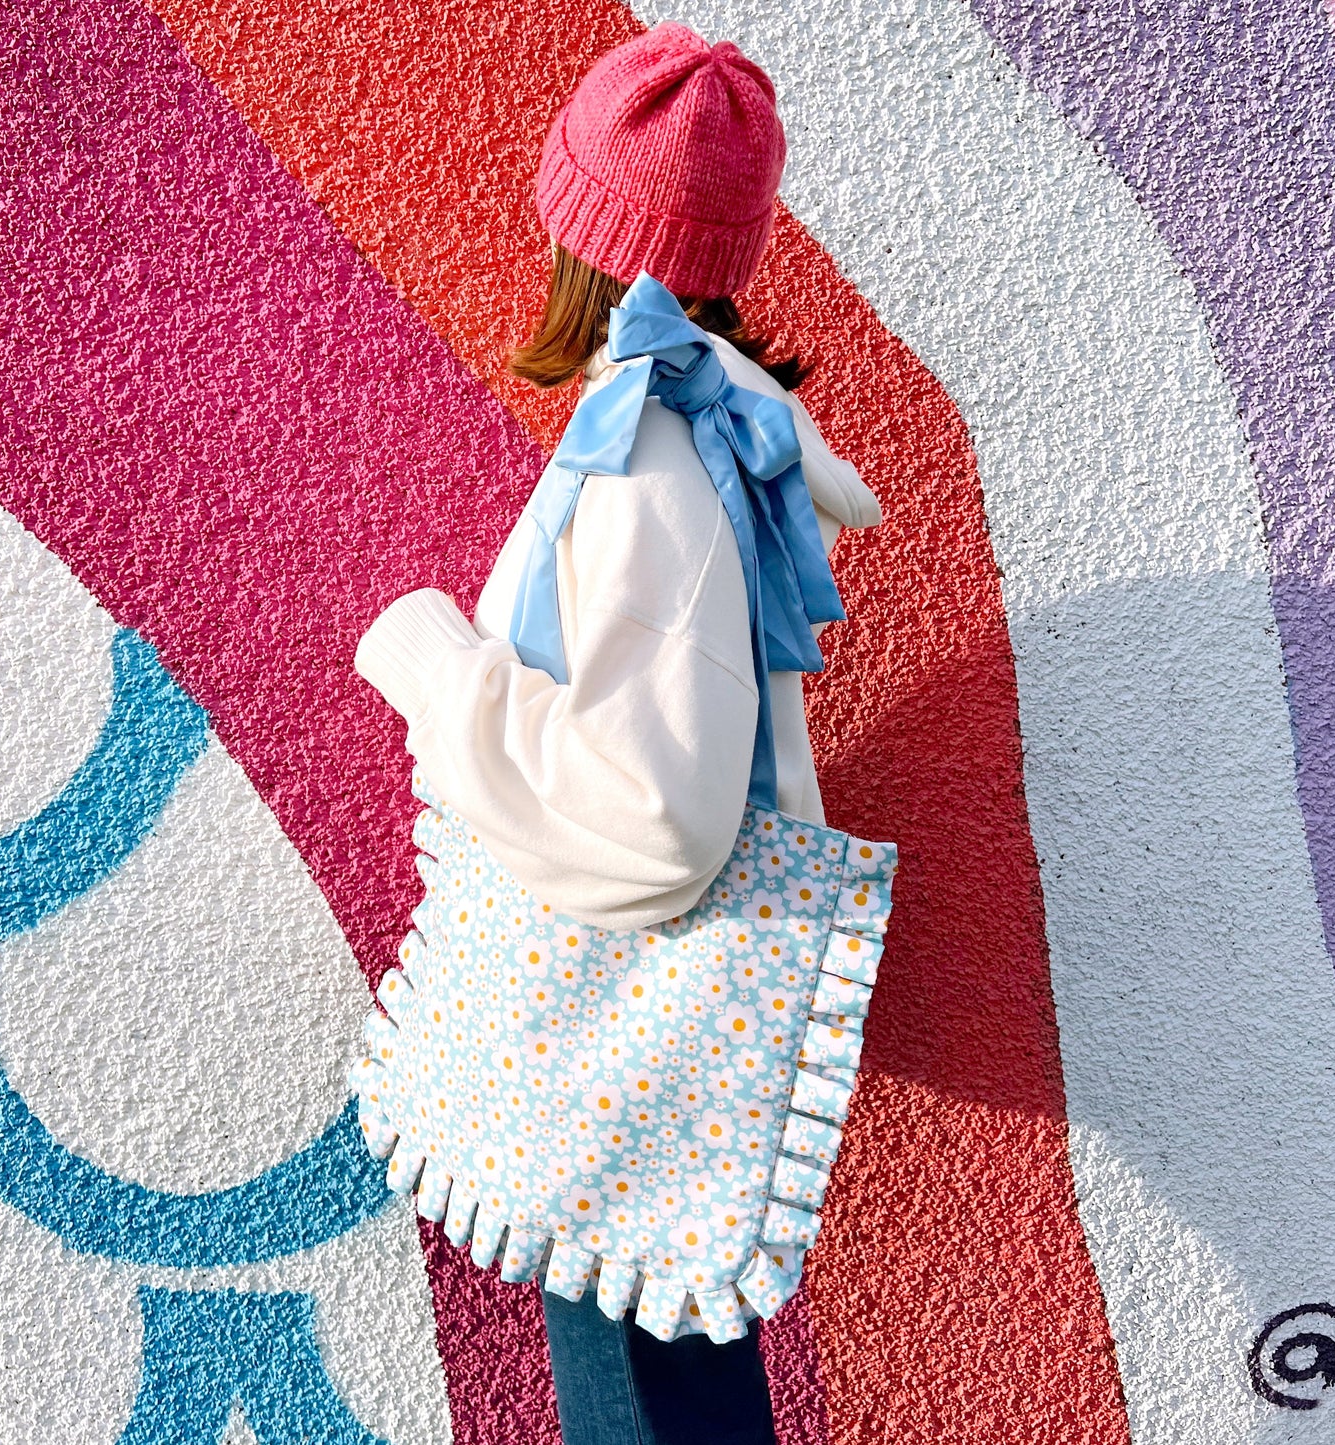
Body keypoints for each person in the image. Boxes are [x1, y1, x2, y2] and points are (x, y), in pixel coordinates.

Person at [353, 21, 882, 1445]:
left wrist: (432, 661)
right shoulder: (687, 431)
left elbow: (653, 819)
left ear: (574, 219)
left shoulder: (649, 466)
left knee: (657, 1412)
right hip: (630, 1047)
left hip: (617, 1043)